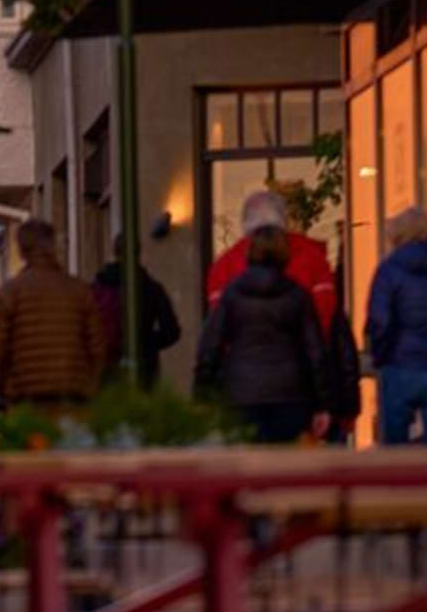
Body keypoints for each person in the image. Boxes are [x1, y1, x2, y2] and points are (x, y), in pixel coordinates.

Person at [195, 223, 331, 443]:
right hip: (291, 394)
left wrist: (202, 394)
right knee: (284, 468)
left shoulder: (232, 294)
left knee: (247, 468)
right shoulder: (297, 295)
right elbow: (315, 351)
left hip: (242, 393)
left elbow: (209, 346)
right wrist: (322, 403)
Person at [0, 221, 108, 412]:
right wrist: (91, 385)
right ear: (53, 246)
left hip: (27, 395)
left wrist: (4, 388)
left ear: (22, 250)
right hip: (73, 394)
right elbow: (98, 347)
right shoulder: (79, 290)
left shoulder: (10, 292)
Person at [366, 206, 427, 446]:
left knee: (395, 447)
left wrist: (379, 356)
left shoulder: (388, 271)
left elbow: (380, 321)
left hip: (399, 366)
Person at [203, 187, 342, 334]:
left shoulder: (225, 266)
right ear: (284, 218)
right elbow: (325, 311)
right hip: (297, 352)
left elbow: (218, 324)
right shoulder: (313, 258)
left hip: (245, 353)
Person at [90, 254, 182, 387]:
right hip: (144, 369)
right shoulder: (151, 288)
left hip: (108, 367)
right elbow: (171, 331)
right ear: (138, 253)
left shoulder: (97, 289)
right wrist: (148, 342)